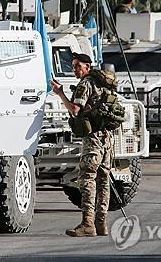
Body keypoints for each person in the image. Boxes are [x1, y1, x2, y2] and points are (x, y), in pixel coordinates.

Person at [50, 53, 112, 237]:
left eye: (78, 66)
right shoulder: (102, 84)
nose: (74, 69)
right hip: (106, 139)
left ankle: (88, 224)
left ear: (87, 67)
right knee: (103, 181)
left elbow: (76, 110)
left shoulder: (85, 84)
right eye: (74, 65)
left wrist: (60, 93)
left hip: (93, 139)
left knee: (87, 180)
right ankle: (102, 225)